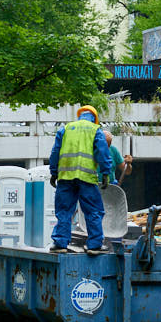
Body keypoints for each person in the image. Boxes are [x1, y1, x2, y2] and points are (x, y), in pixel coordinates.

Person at [49, 105, 113, 256]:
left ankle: (60, 243)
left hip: (65, 177)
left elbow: (55, 151)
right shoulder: (95, 129)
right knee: (93, 211)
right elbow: (103, 152)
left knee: (64, 211)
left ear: (79, 116)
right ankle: (94, 245)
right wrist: (105, 173)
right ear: (94, 118)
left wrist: (53, 172)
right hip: (86, 178)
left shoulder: (65, 129)